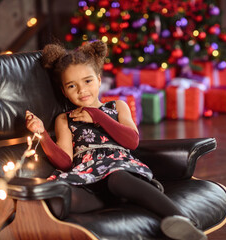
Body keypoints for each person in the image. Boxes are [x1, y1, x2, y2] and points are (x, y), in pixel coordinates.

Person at [25, 40, 207, 240]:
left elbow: (132, 141)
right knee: (57, 200)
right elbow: (65, 162)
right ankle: (120, 201)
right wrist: (41, 133)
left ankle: (184, 222)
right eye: (71, 85)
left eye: (88, 81)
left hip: (120, 171)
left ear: (99, 79)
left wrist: (97, 116)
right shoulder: (64, 120)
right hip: (87, 180)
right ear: (63, 91)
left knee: (117, 179)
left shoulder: (117, 107)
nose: (81, 90)